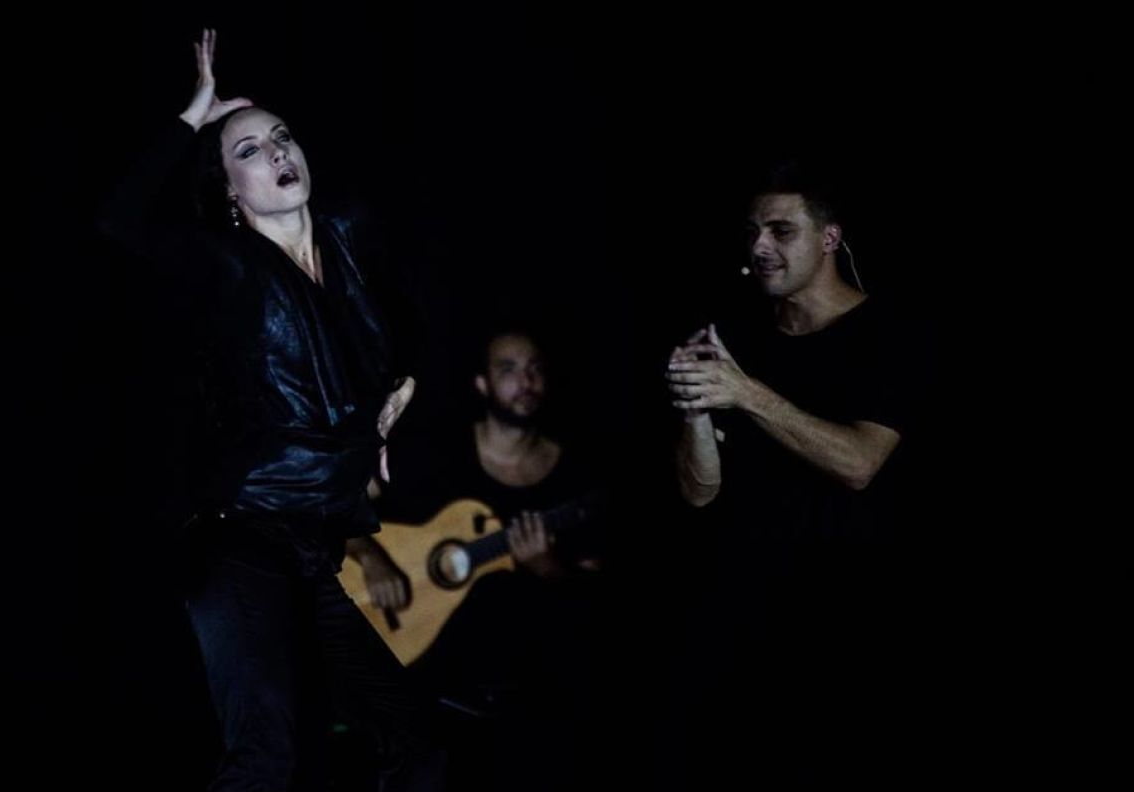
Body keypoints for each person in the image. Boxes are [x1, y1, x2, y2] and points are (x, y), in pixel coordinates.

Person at [99, 29, 443, 791]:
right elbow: (120, 222)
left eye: (282, 137)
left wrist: (405, 387)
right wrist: (194, 118)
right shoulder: (226, 265)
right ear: (230, 189)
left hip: (314, 552)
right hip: (241, 541)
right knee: (264, 760)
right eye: (249, 150)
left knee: (415, 747)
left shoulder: (351, 238)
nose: (278, 153)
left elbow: (415, 327)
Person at [666, 162, 929, 783]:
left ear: (830, 238)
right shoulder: (736, 337)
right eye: (753, 232)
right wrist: (697, 410)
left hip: (853, 632)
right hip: (741, 625)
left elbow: (859, 462)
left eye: (781, 231)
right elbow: (699, 493)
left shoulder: (890, 334)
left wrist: (746, 393)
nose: (760, 247)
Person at [352, 327, 610, 791]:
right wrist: (369, 555)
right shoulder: (436, 454)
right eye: (508, 370)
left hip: (531, 701)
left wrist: (549, 569)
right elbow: (344, 504)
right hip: (426, 695)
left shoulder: (575, 477)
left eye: (535, 369)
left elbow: (602, 600)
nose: (525, 382)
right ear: (481, 383)